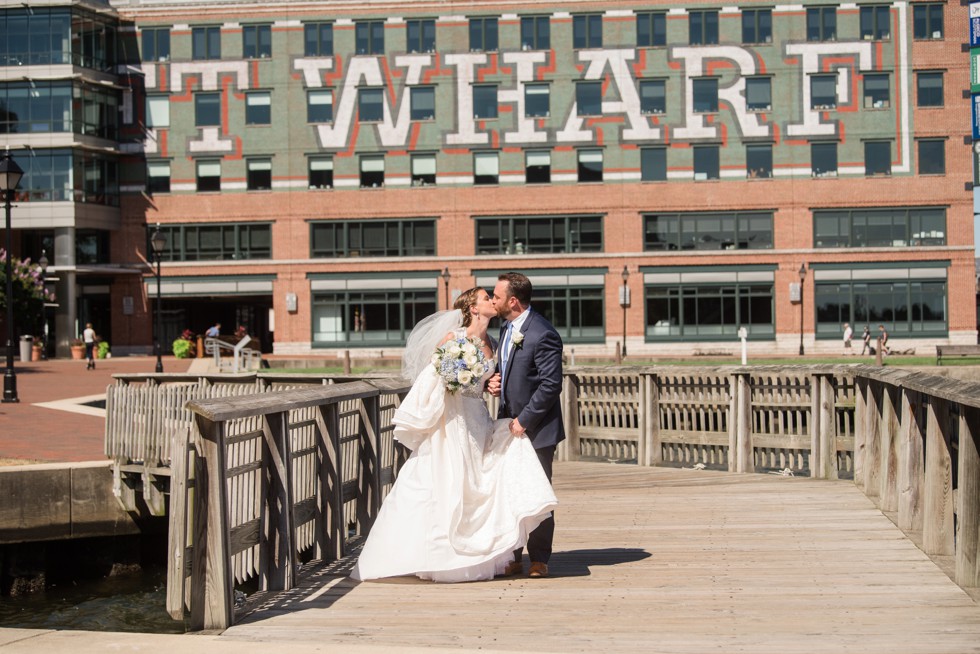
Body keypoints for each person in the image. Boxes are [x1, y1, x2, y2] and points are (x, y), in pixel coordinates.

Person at [351, 287, 557, 583]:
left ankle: (496, 552)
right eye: (486, 298)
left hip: (480, 420)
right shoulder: (453, 339)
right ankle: (436, 553)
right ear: (473, 308)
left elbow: (488, 379)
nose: (491, 301)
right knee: (449, 483)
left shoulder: (496, 342)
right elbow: (432, 381)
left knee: (482, 480)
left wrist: (489, 385)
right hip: (454, 422)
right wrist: (456, 382)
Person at [488, 272, 565, 579]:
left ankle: (540, 558)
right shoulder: (507, 327)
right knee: (509, 492)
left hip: (536, 428)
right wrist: (495, 382)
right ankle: (513, 556)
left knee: (536, 492)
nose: (493, 300)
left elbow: (550, 384)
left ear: (513, 301)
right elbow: (507, 368)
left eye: (496, 296)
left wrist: (525, 419)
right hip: (507, 425)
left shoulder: (543, 333)